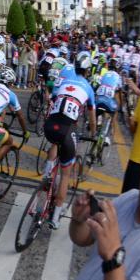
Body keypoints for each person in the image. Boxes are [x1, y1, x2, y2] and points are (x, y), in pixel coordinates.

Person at [42, 55, 97, 227]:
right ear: (87, 70)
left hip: (50, 125)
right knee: (66, 174)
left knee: (54, 143)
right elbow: (92, 119)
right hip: (67, 129)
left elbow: (53, 99)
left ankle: (47, 171)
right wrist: (93, 134)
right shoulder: (88, 88)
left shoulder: (65, 83)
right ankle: (56, 216)